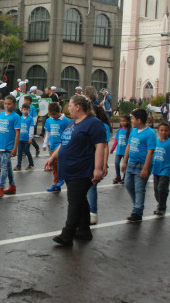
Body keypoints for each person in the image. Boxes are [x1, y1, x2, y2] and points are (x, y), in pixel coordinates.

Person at [45, 95, 106, 246]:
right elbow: (64, 142)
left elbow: (101, 146)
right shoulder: (72, 123)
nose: (68, 108)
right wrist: (53, 157)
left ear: (78, 107)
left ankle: (68, 233)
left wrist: (98, 168)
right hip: (70, 169)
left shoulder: (93, 123)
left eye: (70, 105)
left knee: (74, 200)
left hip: (82, 169)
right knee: (80, 199)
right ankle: (84, 230)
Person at [121, 108, 156, 223]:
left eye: (133, 118)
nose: (131, 121)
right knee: (128, 184)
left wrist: (146, 168)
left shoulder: (150, 133)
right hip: (132, 163)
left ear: (139, 120)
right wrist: (124, 162)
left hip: (142, 165)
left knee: (139, 188)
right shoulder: (134, 131)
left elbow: (150, 152)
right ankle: (138, 205)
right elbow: (129, 146)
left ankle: (137, 212)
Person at [0, 95, 21, 197]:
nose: (7, 106)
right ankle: (12, 186)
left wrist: (15, 148)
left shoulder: (16, 117)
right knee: (7, 167)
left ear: (14, 105)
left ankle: (1, 188)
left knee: (3, 167)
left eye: (9, 104)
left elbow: (17, 133)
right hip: (0, 146)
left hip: (9, 147)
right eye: (6, 104)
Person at [151, 122, 170, 216]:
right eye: (161, 130)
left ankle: (162, 207)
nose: (163, 132)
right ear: (158, 131)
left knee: (162, 187)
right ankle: (160, 203)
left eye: (165, 130)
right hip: (156, 169)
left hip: (165, 169)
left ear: (169, 131)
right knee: (156, 189)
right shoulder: (156, 141)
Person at [44, 103, 70, 192]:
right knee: (54, 167)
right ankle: (56, 185)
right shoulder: (49, 121)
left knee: (58, 162)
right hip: (52, 145)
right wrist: (44, 144)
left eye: (54, 114)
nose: (53, 116)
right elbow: (47, 133)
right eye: (51, 114)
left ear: (59, 111)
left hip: (61, 145)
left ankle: (61, 178)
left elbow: (69, 133)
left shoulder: (65, 120)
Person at [111, 114, 131, 184]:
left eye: (124, 121)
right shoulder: (119, 130)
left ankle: (125, 177)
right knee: (116, 163)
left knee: (125, 164)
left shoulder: (129, 131)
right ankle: (118, 176)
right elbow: (116, 141)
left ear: (128, 122)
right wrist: (112, 149)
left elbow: (130, 143)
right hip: (119, 151)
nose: (122, 122)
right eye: (121, 121)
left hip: (126, 152)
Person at [15, 103, 35, 171]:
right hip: (20, 138)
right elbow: (17, 128)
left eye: (27, 110)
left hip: (27, 138)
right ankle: (18, 165)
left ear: (29, 110)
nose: (25, 111)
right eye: (24, 109)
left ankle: (31, 164)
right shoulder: (20, 118)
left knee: (27, 151)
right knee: (19, 152)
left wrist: (30, 137)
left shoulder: (30, 118)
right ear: (21, 110)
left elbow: (31, 128)